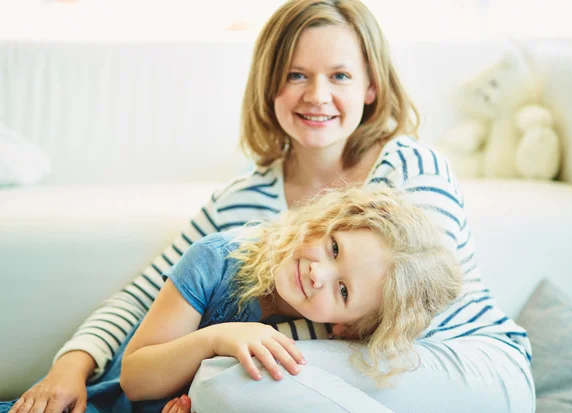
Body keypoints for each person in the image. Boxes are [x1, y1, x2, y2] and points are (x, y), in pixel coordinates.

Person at [4, 0, 535, 412]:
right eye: (296, 74)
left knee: (229, 378)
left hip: (464, 363)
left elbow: (403, 321)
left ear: (372, 88)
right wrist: (70, 368)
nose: (317, 95)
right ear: (270, 85)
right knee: (233, 380)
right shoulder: (240, 203)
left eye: (340, 76)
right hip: (333, 379)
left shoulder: (408, 167)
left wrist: (224, 347)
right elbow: (144, 293)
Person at [120, 186, 462, 402]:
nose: (318, 273)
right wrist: (217, 338)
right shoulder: (216, 260)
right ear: (327, 222)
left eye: (343, 290)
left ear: (348, 327)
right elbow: (133, 380)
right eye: (333, 247)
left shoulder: (325, 342)